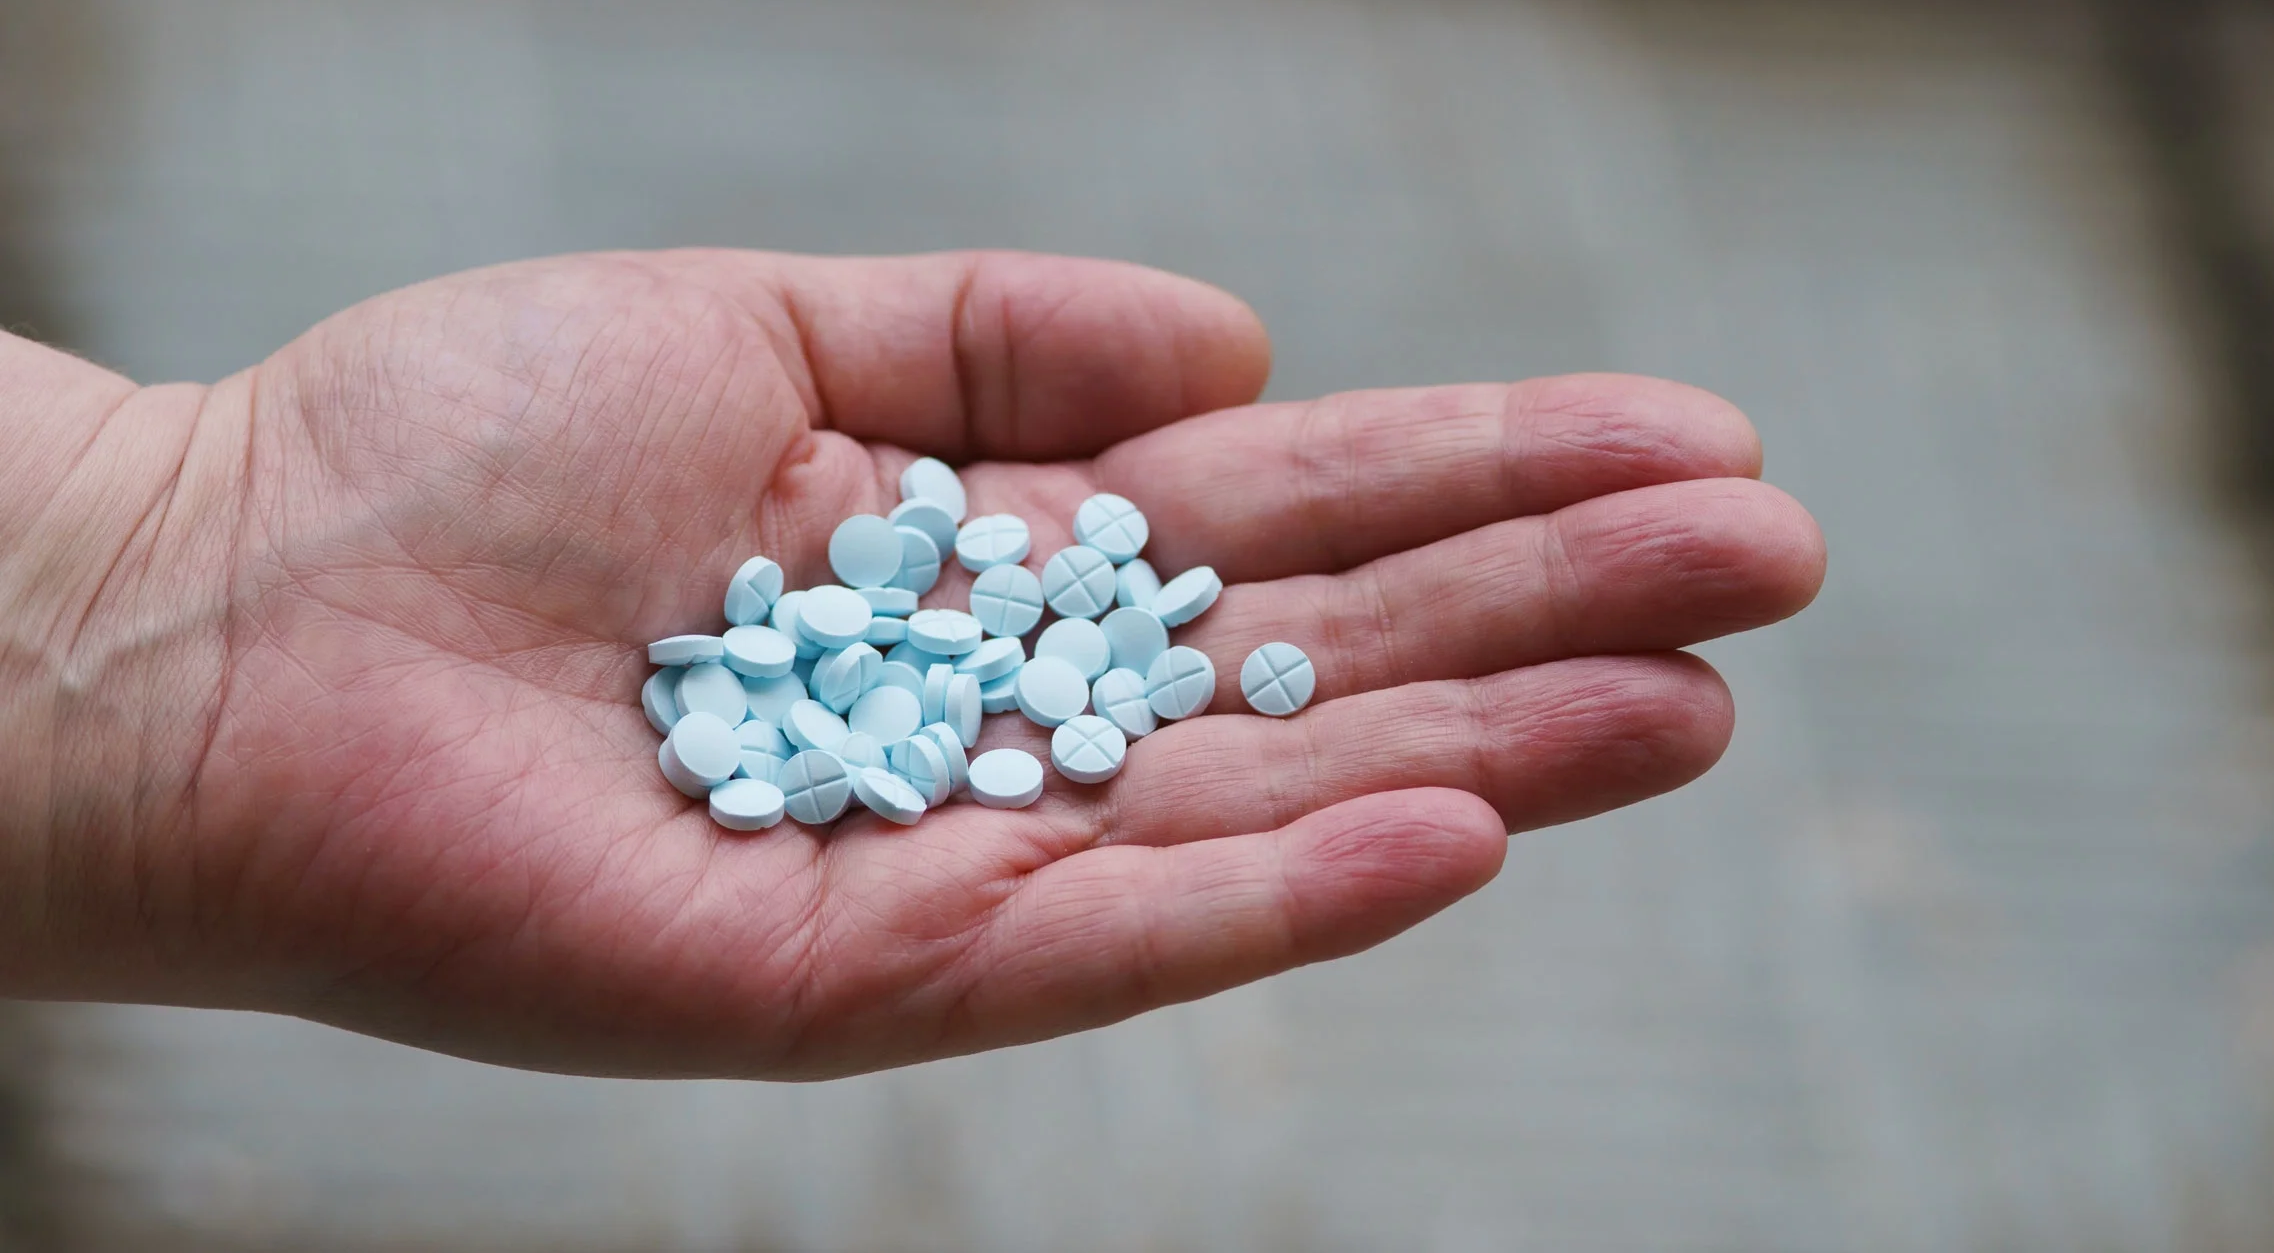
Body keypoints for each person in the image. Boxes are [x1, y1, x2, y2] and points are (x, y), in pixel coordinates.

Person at [0, 249, 1824, 1079]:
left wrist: (146, 548)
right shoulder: (860, 663)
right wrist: (162, 544)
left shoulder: (968, 650)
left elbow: (952, 685)